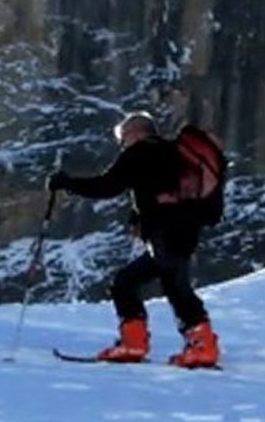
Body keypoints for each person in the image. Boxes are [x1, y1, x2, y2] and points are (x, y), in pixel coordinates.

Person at [47, 111, 221, 368]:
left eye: (122, 137)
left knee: (176, 285)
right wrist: (139, 215)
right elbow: (160, 189)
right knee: (127, 282)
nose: (122, 143)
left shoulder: (140, 152)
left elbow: (107, 186)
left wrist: (67, 183)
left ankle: (200, 346)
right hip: (184, 229)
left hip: (166, 232)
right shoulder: (172, 152)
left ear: (136, 132)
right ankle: (135, 342)